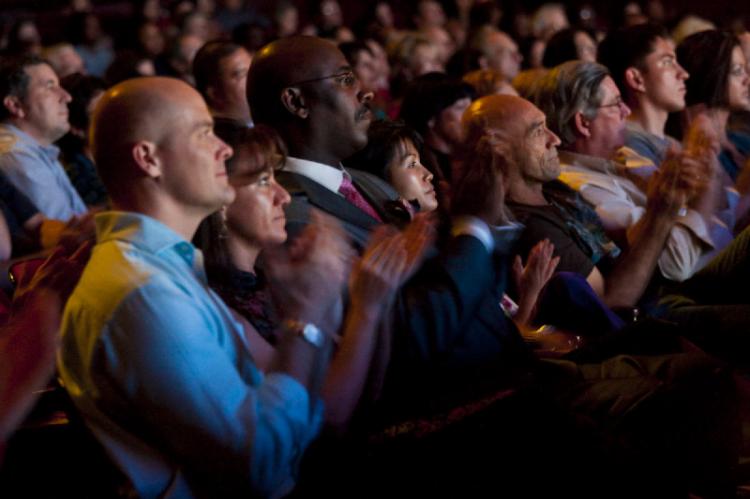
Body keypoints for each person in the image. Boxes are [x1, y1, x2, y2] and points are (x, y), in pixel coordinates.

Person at [58, 77, 350, 497]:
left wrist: (316, 309)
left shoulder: (166, 268)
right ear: (149, 159)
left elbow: (305, 420)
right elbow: (257, 465)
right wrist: (303, 319)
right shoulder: (144, 293)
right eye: (203, 133)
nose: (225, 148)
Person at [529, 60, 718, 287]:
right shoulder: (581, 188)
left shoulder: (625, 155)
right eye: (616, 104)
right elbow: (677, 263)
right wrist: (706, 195)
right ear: (584, 122)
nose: (627, 112)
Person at [0, 55, 87, 220]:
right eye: (50, 86)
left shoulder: (33, 148)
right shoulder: (16, 154)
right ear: (15, 105)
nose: (66, 96)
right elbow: (68, 234)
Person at [677, 30, 750, 182]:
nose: (747, 80)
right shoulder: (695, 152)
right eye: (738, 71)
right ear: (711, 75)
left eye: (745, 70)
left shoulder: (742, 141)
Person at [192, 40, 254, 128]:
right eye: (242, 75)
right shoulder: (215, 138)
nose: (254, 77)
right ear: (214, 93)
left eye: (253, 68)